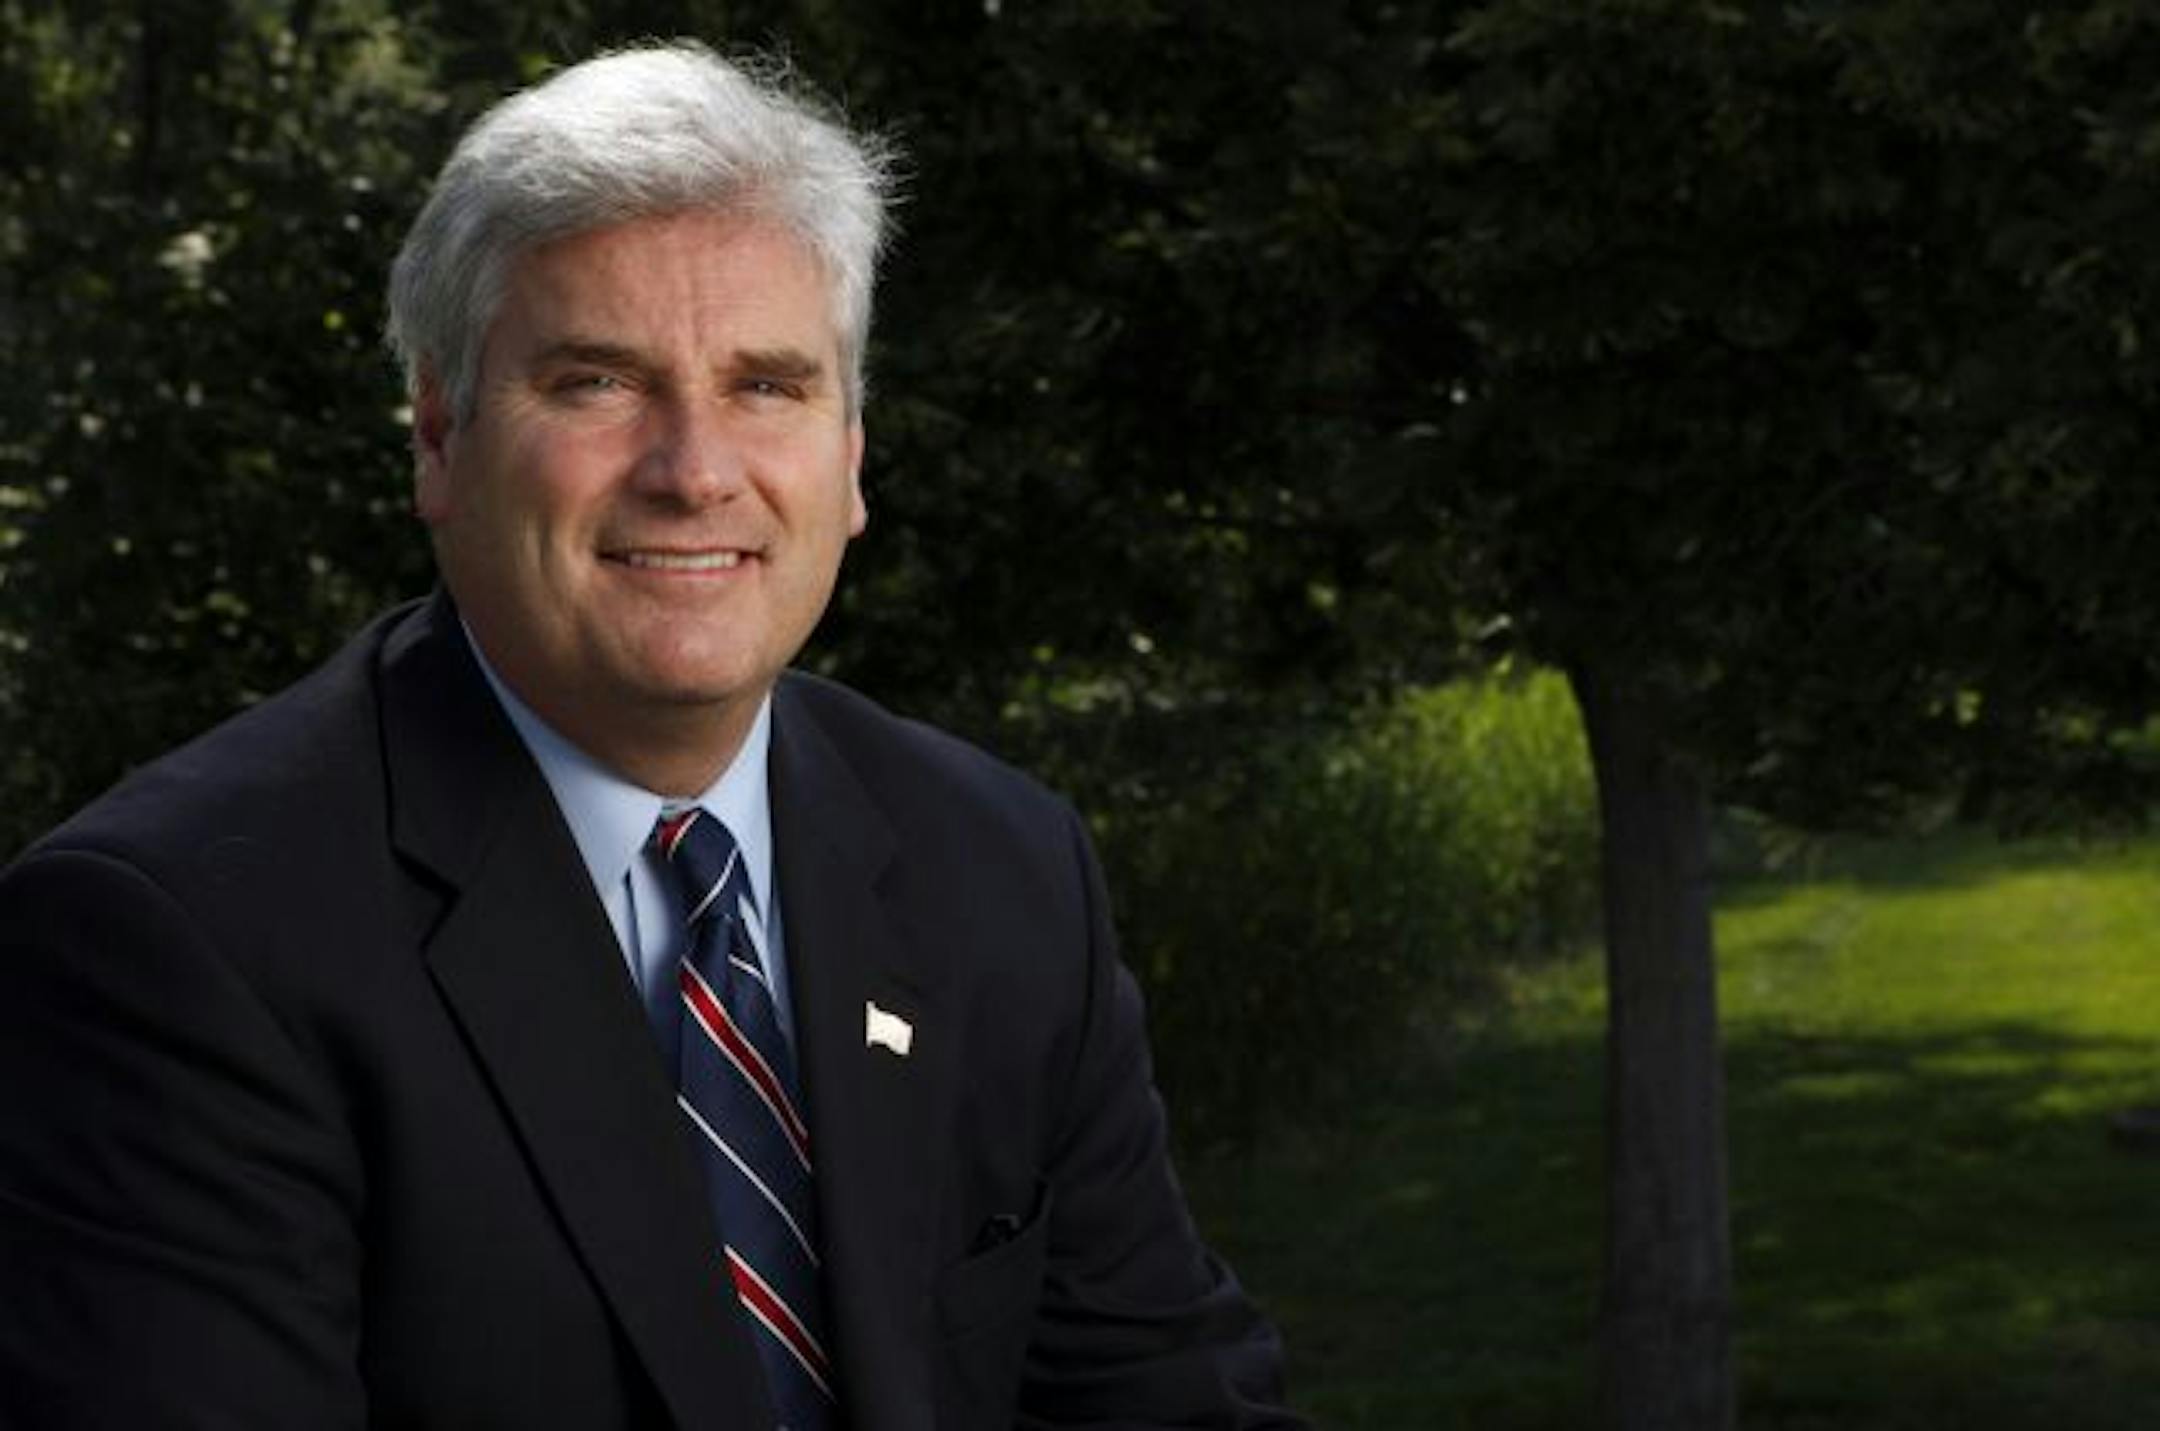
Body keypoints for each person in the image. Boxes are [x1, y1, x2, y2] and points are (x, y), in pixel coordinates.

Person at [0, 42, 1304, 1431]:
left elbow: (1167, 1401)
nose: (694, 471)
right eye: (597, 383)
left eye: (766, 386)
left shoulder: (1003, 866)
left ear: (851, 457)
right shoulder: (174, 945)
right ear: (440, 436)